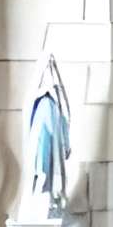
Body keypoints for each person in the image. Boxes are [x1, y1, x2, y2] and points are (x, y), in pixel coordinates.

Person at [26, 58, 73, 217]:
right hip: (43, 135)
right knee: (43, 168)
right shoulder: (44, 103)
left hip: (50, 135)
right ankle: (46, 200)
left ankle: (50, 201)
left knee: (48, 169)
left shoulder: (52, 104)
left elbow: (64, 120)